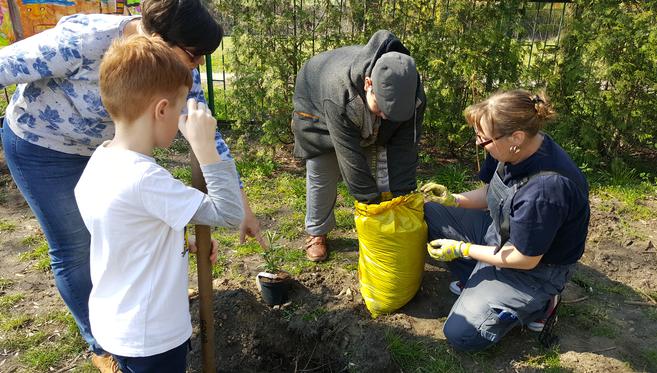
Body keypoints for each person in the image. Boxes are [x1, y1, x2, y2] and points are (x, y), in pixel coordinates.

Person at [0, 1, 263, 370]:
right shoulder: (85, 40)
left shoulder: (115, 157)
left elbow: (124, 223)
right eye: (194, 54)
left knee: (107, 230)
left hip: (103, 154)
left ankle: (119, 331)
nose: (198, 64)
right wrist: (206, 158)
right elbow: (4, 66)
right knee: (75, 248)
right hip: (42, 145)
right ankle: (101, 347)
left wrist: (238, 207)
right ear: (157, 38)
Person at [74, 34, 243, 372]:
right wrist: (205, 149)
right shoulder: (145, 179)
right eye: (180, 109)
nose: (182, 120)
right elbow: (229, 212)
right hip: (152, 337)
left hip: (115, 322)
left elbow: (125, 226)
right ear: (162, 110)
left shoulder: (102, 159)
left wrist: (173, 240)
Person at [421, 89, 590, 352]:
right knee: (431, 212)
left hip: (535, 269)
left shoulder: (545, 190)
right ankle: (480, 279)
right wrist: (452, 199)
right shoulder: (512, 149)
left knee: (460, 333)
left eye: (484, 138)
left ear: (516, 137)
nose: (479, 143)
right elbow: (493, 192)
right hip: (501, 234)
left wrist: (462, 249)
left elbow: (525, 258)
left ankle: (542, 304)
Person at [292, 29, 426, 262]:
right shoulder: (338, 91)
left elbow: (405, 148)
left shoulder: (411, 93)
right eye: (382, 108)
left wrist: (403, 201)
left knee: (385, 166)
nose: (385, 117)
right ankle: (317, 232)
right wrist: (371, 205)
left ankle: (388, 222)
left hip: (355, 105)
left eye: (393, 114)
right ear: (368, 84)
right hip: (317, 107)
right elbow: (349, 158)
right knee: (323, 169)